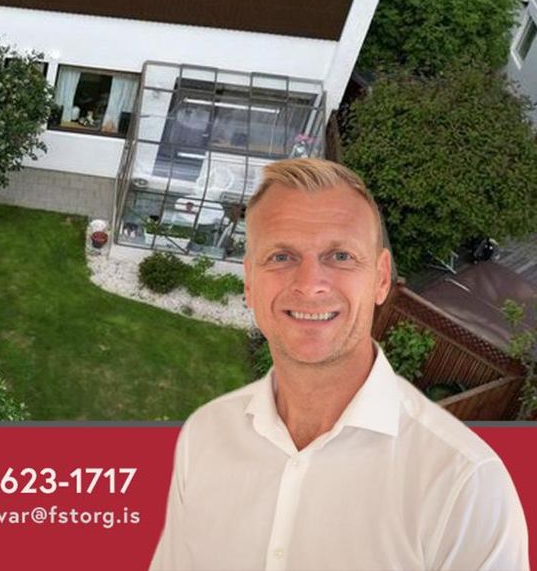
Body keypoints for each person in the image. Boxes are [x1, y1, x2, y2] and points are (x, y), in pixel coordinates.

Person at [149, 158, 528, 571]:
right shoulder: (205, 436)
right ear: (250, 282)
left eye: (341, 255)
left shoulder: (465, 486)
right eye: (281, 256)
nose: (310, 284)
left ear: (381, 279)